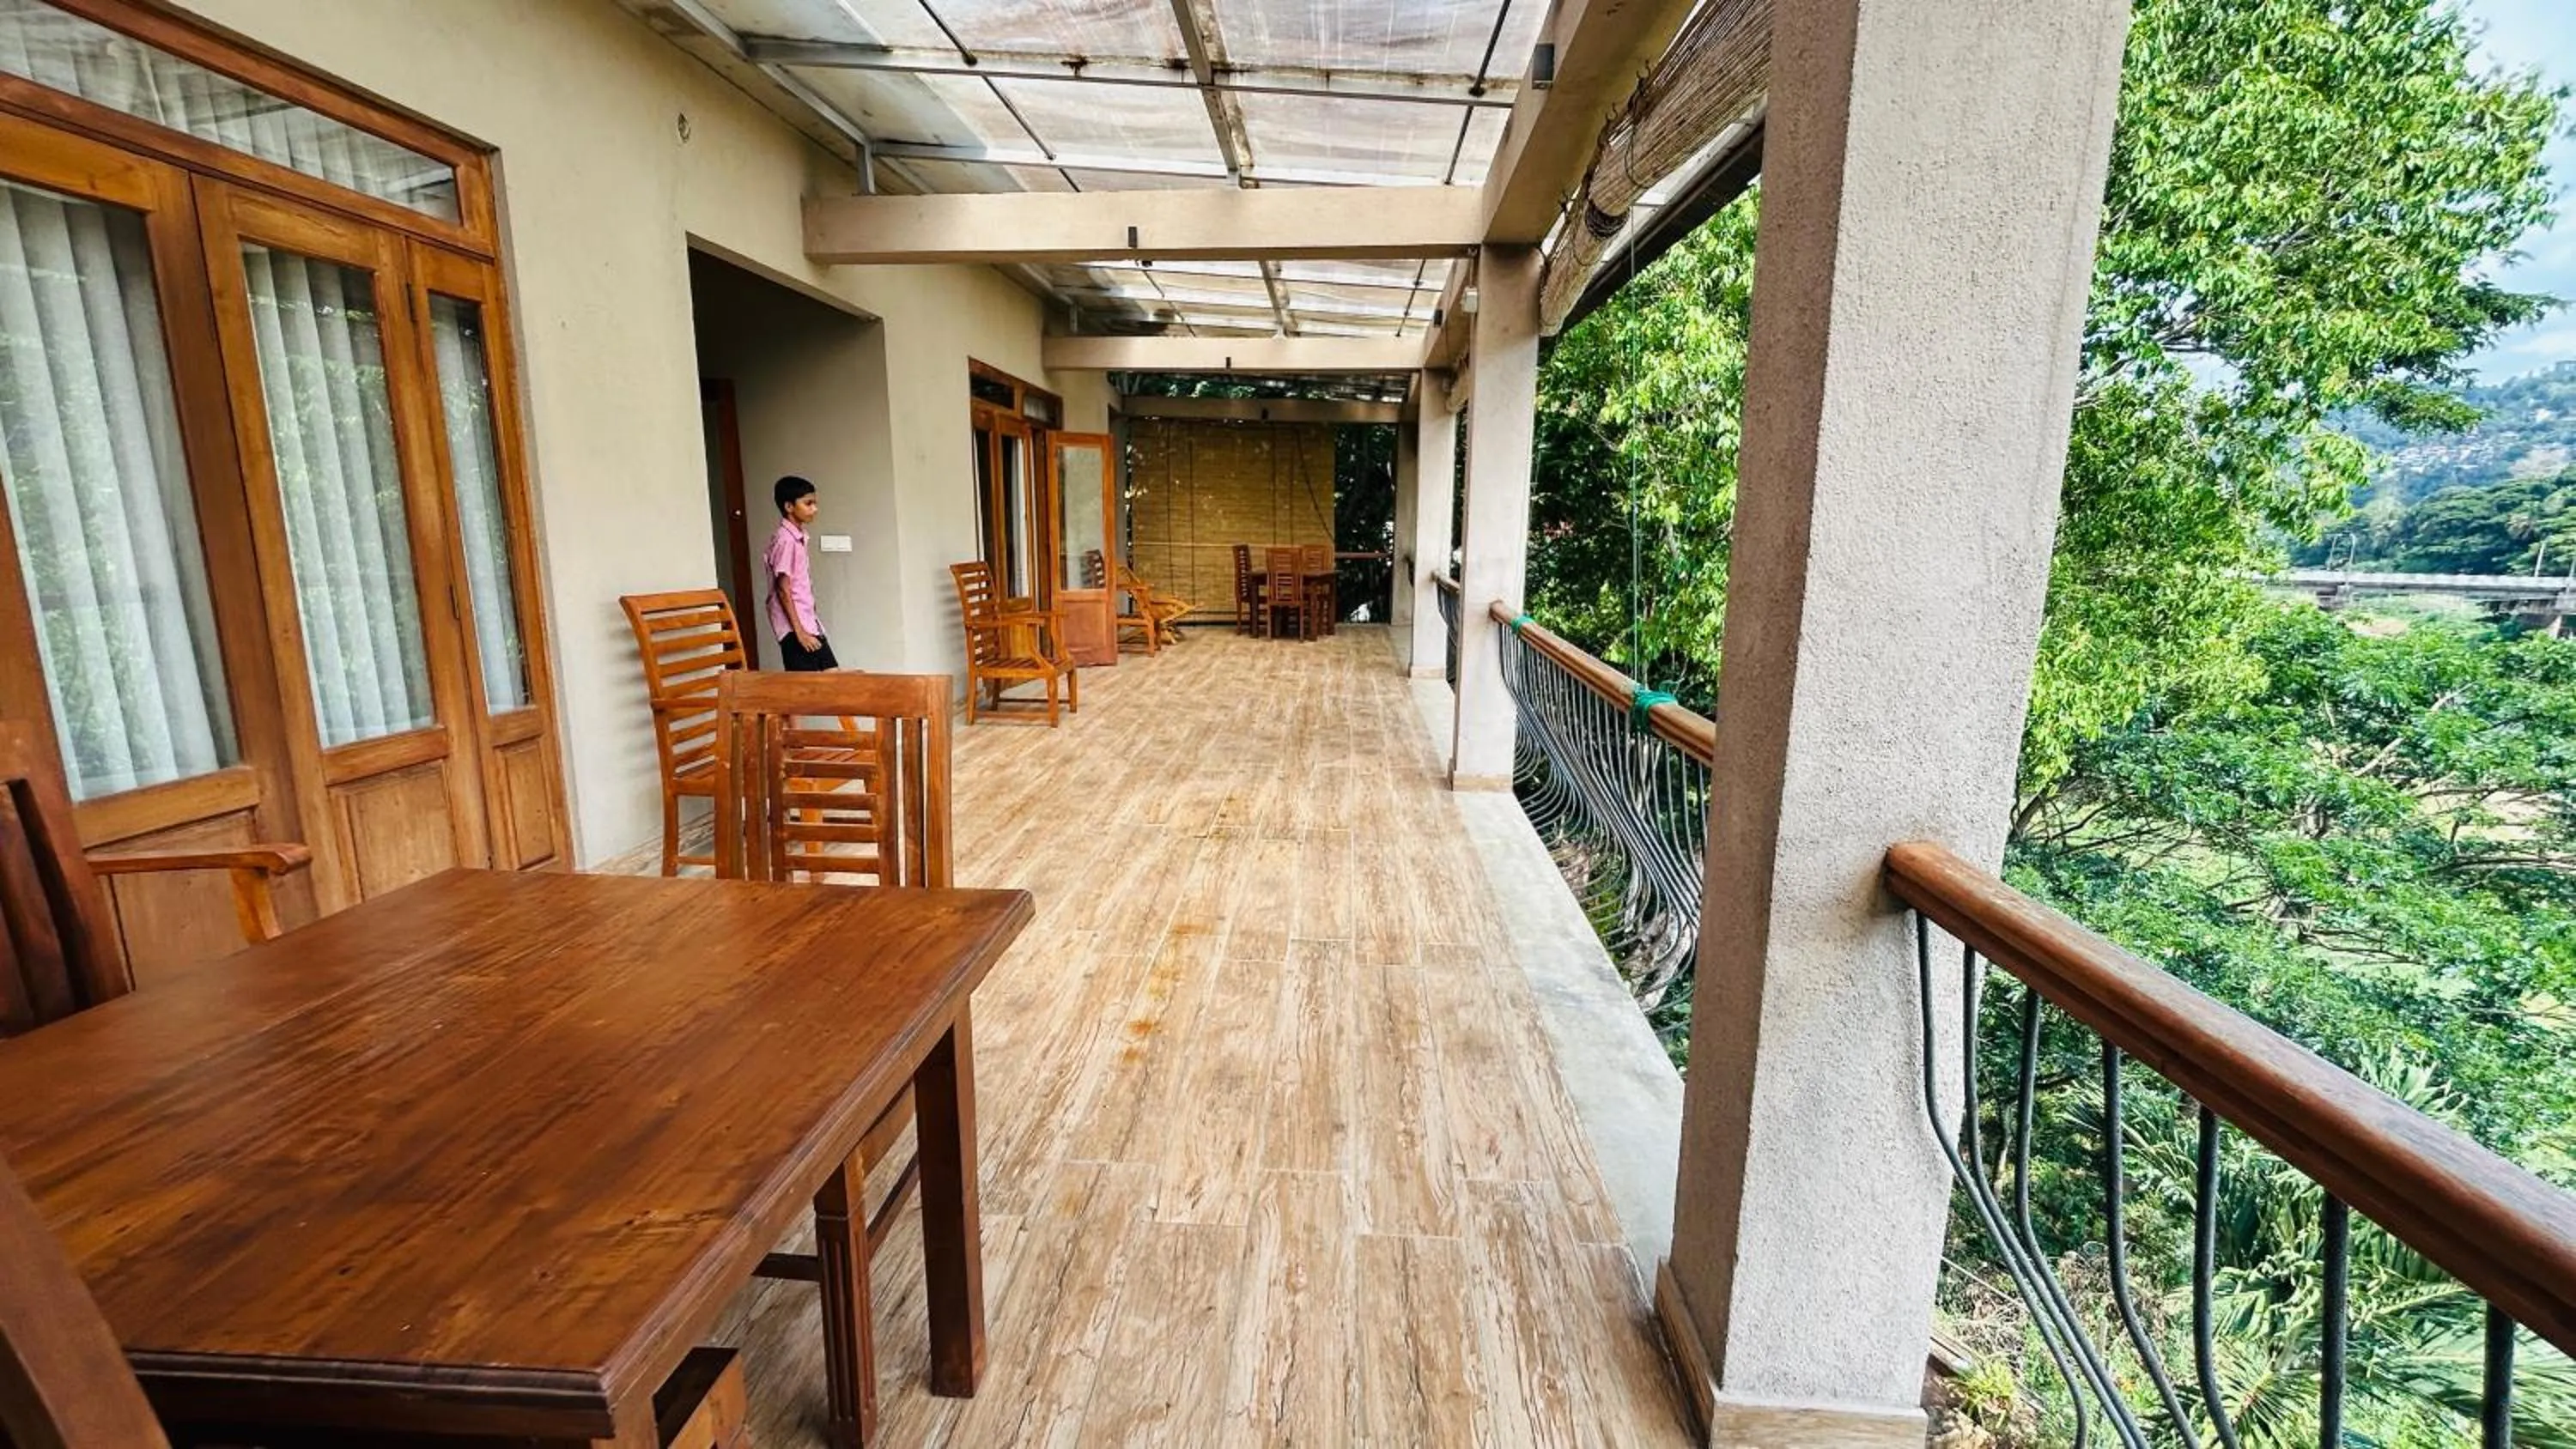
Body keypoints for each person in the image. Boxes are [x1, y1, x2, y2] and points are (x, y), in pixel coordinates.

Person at [764, 475, 835, 670]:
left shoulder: (797, 537)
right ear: (789, 507)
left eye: (815, 503)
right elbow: (782, 589)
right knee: (807, 692)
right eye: (808, 503)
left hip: (810, 623)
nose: (814, 509)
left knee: (834, 679)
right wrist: (800, 633)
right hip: (795, 630)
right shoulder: (785, 540)